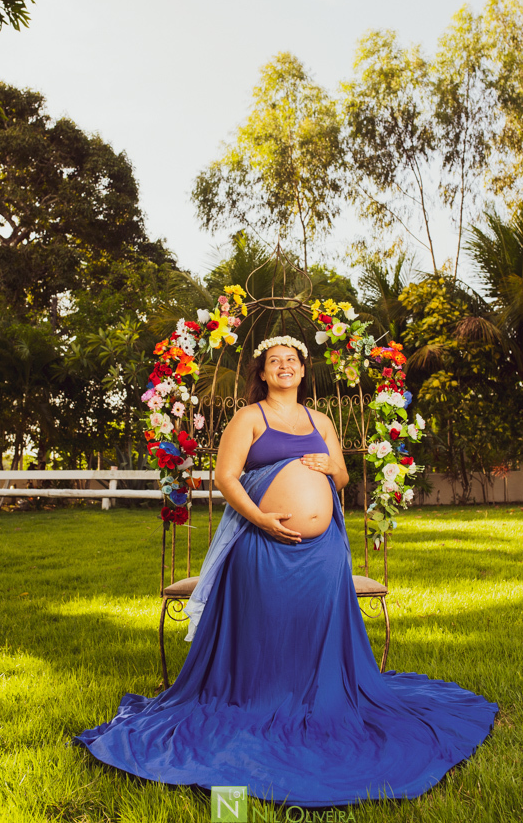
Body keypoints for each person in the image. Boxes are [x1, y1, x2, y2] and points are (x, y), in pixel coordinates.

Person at [74, 336, 498, 807]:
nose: (283, 367)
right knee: (268, 636)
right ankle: (261, 702)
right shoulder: (248, 417)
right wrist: (260, 518)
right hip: (261, 545)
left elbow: (341, 477)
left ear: (302, 369)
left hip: (324, 554)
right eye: (274, 361)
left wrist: (325, 465)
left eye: (291, 361)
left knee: (314, 635)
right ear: (262, 372)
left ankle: (321, 700)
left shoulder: (321, 420)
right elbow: (226, 478)